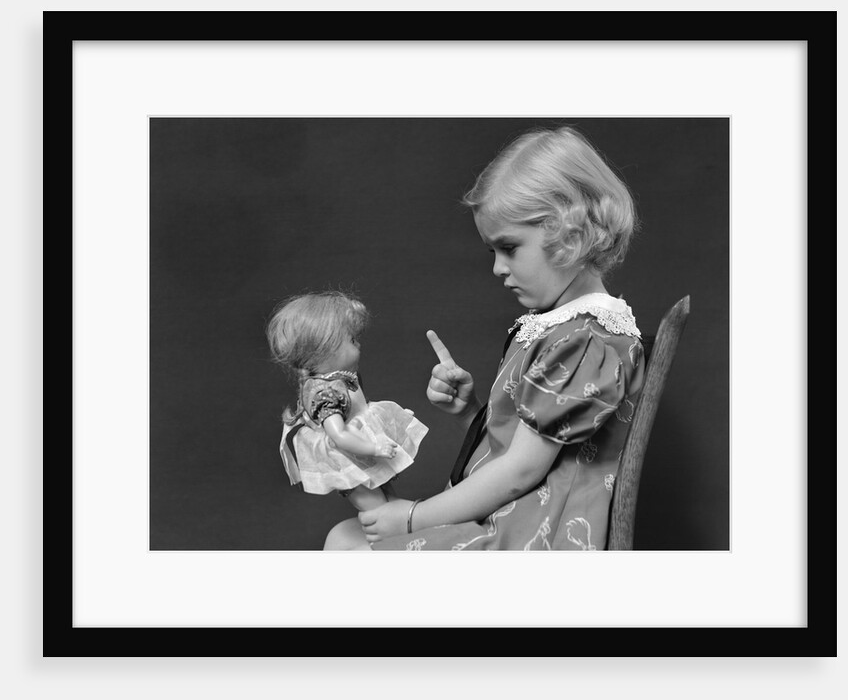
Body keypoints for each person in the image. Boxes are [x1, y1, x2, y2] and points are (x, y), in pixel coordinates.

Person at [324, 125, 646, 550]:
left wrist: (413, 516)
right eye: (492, 252)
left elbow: (521, 471)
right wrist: (471, 412)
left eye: (509, 248)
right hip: (516, 515)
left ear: (570, 233)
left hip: (535, 536)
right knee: (346, 537)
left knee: (348, 544)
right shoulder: (562, 327)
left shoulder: (583, 340)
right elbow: (526, 447)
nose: (497, 268)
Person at [267, 290, 428, 512]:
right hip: (348, 457)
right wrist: (375, 448)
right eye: (352, 340)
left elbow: (360, 412)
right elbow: (339, 436)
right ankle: (384, 537)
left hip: (358, 450)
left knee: (386, 495)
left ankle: (401, 528)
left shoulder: (339, 380)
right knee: (376, 508)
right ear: (323, 351)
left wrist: (392, 420)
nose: (358, 345)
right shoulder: (325, 393)